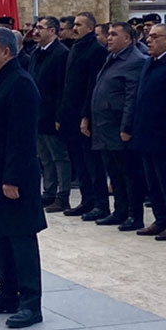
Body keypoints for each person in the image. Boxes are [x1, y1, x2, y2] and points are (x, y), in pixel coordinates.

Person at [0, 25, 46, 329]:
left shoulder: (20, 84)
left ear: (6, 51)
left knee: (20, 238)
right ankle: (7, 294)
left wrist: (12, 177)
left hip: (13, 177)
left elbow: (22, 136)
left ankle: (30, 303)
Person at [87, 21, 148, 231]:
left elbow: (132, 98)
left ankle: (134, 214)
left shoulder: (135, 61)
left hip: (118, 128)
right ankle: (120, 211)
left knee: (129, 174)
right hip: (104, 127)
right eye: (109, 34)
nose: (109, 37)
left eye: (114, 34)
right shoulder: (112, 58)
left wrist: (126, 128)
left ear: (128, 39)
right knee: (114, 173)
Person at [130, 23, 166, 240]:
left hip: (163, 135)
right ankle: (160, 218)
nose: (149, 40)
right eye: (148, 36)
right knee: (152, 181)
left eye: (155, 36)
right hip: (146, 133)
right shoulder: (149, 63)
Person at [59, 12, 109, 219]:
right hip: (71, 113)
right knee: (79, 162)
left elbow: (91, 86)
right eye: (75, 24)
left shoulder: (95, 50)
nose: (75, 28)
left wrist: (85, 116)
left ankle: (100, 203)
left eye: (80, 25)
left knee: (92, 163)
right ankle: (86, 200)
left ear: (90, 28)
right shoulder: (75, 48)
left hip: (85, 115)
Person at [29, 16, 71, 212]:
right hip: (37, 113)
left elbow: (63, 88)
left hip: (52, 113)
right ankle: (49, 192)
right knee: (44, 157)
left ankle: (63, 195)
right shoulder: (37, 52)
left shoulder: (61, 53)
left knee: (59, 157)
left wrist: (59, 116)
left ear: (53, 30)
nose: (36, 31)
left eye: (41, 28)